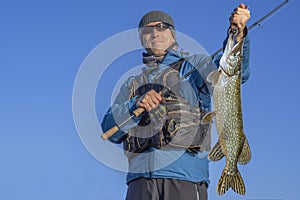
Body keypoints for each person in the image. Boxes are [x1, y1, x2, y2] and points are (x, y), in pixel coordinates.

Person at [101, 4, 251, 200]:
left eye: (162, 27)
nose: (155, 33)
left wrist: (238, 35)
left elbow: (234, 74)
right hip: (139, 183)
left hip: (185, 179)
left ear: (172, 35)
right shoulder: (132, 84)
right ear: (142, 39)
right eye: (148, 30)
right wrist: (135, 104)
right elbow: (109, 129)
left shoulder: (194, 66)